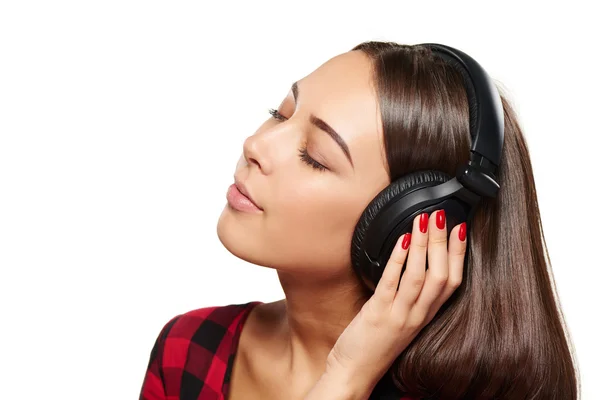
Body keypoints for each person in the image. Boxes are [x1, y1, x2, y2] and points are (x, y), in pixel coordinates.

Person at [138, 41, 579, 400]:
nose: (256, 143)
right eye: (280, 114)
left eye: (314, 157)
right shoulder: (190, 349)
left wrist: (347, 378)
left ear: (407, 222)